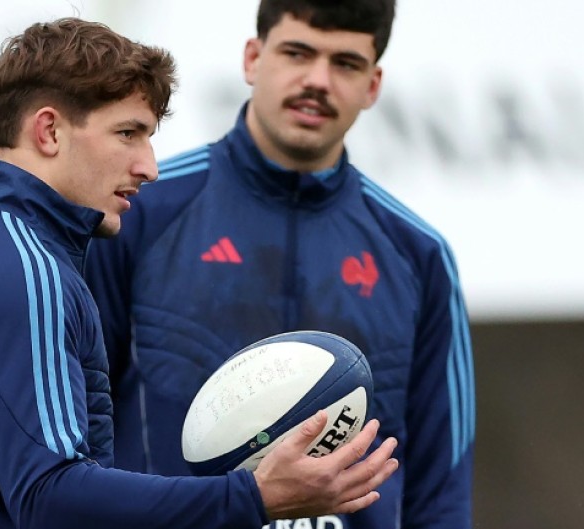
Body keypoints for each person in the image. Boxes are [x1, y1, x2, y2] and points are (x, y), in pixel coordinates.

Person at [0, 17, 399, 529]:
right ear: (49, 131)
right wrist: (253, 497)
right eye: (128, 133)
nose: (148, 167)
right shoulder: (25, 271)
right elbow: (50, 497)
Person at [84, 1, 475, 528]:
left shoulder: (418, 254)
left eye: (346, 64)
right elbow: (74, 437)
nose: (318, 81)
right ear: (252, 58)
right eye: (297, 53)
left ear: (373, 85)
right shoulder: (138, 214)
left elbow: (441, 489)